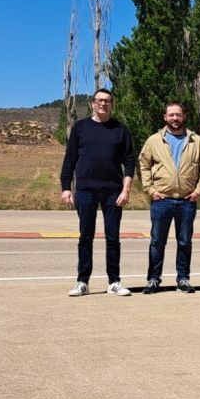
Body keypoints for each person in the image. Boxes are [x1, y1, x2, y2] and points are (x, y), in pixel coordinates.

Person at [60, 88, 136, 297]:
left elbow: (130, 161)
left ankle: (114, 282)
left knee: (113, 237)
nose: (103, 104)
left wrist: (126, 189)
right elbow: (70, 160)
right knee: (86, 236)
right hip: (85, 190)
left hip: (113, 192)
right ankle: (82, 282)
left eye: (107, 101)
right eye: (100, 100)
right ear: (93, 103)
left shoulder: (120, 129)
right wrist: (66, 187)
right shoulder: (81, 128)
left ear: (112, 104)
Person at [139, 102, 200, 294]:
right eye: (171, 115)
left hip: (188, 201)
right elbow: (144, 165)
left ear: (184, 116)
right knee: (157, 241)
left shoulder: (196, 141)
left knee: (184, 241)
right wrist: (150, 189)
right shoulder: (154, 140)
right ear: (165, 117)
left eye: (178, 115)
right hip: (161, 200)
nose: (175, 118)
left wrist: (198, 191)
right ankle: (153, 279)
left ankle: (183, 279)